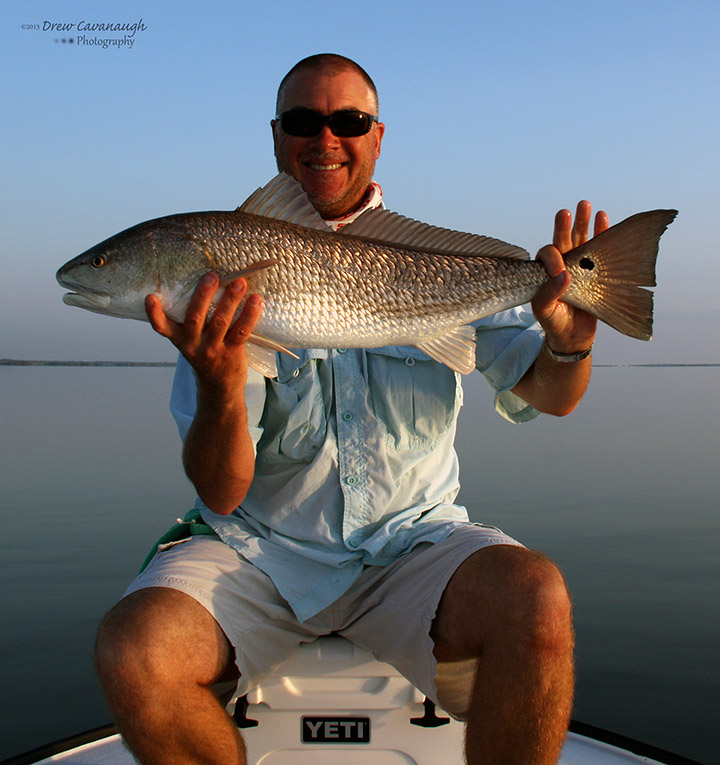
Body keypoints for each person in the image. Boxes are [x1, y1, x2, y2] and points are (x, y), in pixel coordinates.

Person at [94, 54, 608, 765]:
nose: (325, 137)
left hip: (413, 547)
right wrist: (216, 379)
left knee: (538, 599)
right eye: (304, 121)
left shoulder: (424, 257)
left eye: (349, 121)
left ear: (377, 134)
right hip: (259, 557)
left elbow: (553, 396)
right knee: (133, 651)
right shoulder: (218, 286)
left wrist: (572, 344)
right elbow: (221, 490)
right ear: (276, 137)